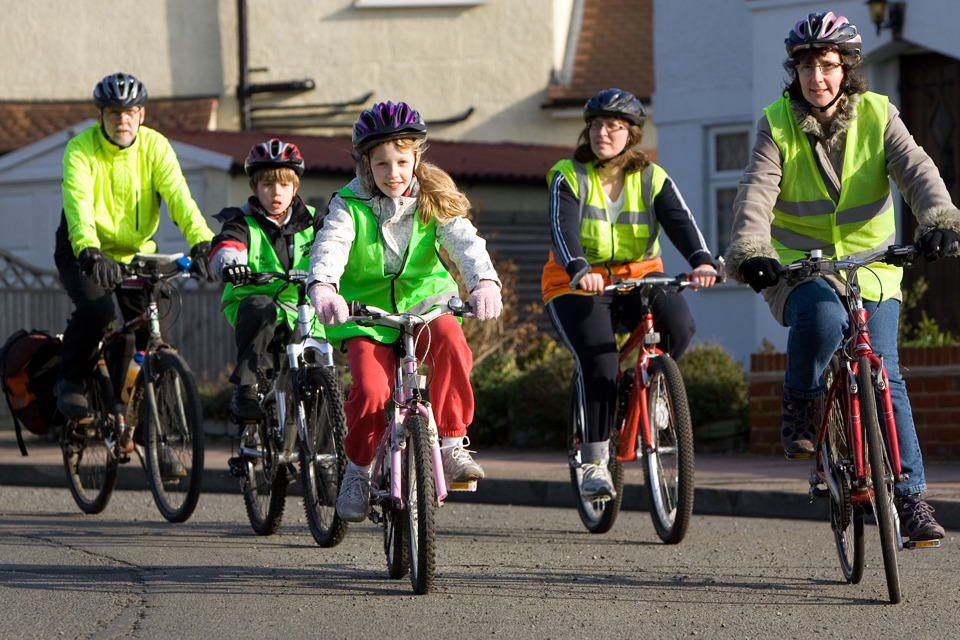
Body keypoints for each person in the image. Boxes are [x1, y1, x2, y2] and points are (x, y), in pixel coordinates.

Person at [724, 12, 957, 541]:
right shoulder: (776, 123)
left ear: (846, 69)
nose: (817, 78)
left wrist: (938, 218)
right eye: (806, 67)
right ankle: (802, 404)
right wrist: (752, 250)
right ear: (795, 72)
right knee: (825, 319)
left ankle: (911, 499)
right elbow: (755, 192)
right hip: (797, 266)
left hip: (872, 266)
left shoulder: (878, 113)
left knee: (886, 371)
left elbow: (917, 170)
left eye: (827, 65)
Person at [307, 100, 502, 522]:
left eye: (401, 161)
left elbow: (465, 243)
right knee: (370, 391)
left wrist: (484, 281)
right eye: (381, 164)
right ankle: (358, 471)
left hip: (427, 305)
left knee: (452, 343)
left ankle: (451, 444)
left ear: (416, 158)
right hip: (366, 316)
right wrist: (324, 286)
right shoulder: (348, 204)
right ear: (366, 163)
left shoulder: (433, 198)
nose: (392, 173)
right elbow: (331, 245)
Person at [542, 88, 719, 499]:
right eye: (596, 125)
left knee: (679, 326)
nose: (602, 133)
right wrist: (578, 268)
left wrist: (702, 261)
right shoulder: (568, 175)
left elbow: (680, 221)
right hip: (577, 282)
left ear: (632, 134)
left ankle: (652, 390)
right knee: (601, 360)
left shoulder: (651, 176)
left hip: (640, 276)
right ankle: (594, 462)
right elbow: (562, 228)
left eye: (613, 126)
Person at [55, 72, 215, 450]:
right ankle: (71, 380)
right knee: (97, 311)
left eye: (130, 112)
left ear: (141, 115)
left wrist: (203, 242)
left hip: (135, 254)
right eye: (114, 113)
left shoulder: (156, 148)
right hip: (84, 249)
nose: (122, 120)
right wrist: (89, 251)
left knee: (154, 336)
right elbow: (78, 206)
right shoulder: (80, 149)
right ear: (101, 116)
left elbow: (180, 199)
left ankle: (153, 438)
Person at [208, 139, 324, 421]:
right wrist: (231, 265)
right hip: (252, 304)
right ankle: (245, 389)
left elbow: (338, 245)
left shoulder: (314, 220)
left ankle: (322, 440)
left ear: (295, 187)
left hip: (301, 308)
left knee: (322, 372)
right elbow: (227, 246)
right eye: (268, 185)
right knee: (260, 307)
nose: (276, 192)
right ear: (254, 188)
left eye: (284, 184)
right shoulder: (241, 221)